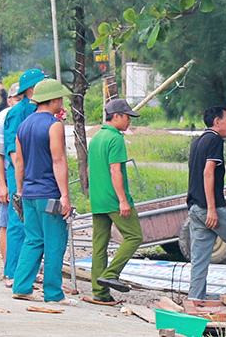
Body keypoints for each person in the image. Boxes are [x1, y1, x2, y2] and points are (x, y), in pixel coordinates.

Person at [12, 78, 73, 304]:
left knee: (33, 240)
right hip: (49, 193)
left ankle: (21, 286)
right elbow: (58, 160)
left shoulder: (24, 125)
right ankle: (53, 293)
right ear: (54, 99)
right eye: (61, 98)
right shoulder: (54, 125)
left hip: (29, 192)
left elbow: (19, 162)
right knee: (55, 242)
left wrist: (20, 189)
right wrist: (64, 195)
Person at [186, 106, 226, 303]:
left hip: (194, 207)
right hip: (208, 207)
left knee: (200, 257)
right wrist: (212, 209)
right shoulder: (214, 140)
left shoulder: (198, 142)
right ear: (216, 121)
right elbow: (208, 173)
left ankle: (195, 298)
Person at [87, 98, 143, 305]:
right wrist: (123, 200)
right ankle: (111, 274)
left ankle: (99, 293)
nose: (129, 121)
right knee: (134, 237)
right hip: (113, 198)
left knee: (99, 246)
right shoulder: (115, 138)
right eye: (127, 117)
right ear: (117, 116)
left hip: (98, 198)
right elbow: (115, 170)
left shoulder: (97, 137)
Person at [0, 68, 45, 285]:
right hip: (19, 171)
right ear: (31, 89)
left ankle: (26, 271)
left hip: (36, 171)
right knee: (17, 221)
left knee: (33, 224)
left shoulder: (41, 110)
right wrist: (19, 179)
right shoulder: (17, 112)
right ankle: (11, 271)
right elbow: (13, 149)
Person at [0, 82, 20, 274]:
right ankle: (8, 268)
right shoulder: (5, 123)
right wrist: (2, 185)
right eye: (18, 99)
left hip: (24, 181)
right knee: (7, 224)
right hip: (10, 180)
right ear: (10, 100)